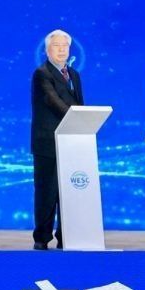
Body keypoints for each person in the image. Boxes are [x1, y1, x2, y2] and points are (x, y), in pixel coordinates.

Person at [31, 29, 83, 250]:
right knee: (47, 192)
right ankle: (42, 237)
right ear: (47, 50)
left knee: (69, 192)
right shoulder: (42, 74)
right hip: (47, 142)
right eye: (56, 46)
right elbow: (53, 101)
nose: (61, 50)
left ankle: (66, 235)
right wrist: (76, 117)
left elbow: (79, 104)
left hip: (70, 142)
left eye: (65, 46)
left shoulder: (74, 75)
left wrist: (82, 122)